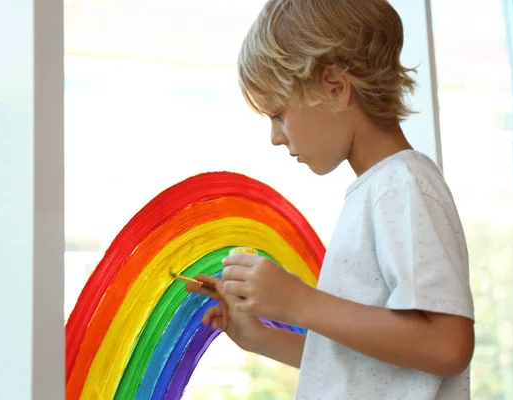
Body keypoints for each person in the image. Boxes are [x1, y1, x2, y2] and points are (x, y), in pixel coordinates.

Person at [187, 0, 475, 398]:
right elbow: (365, 368)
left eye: (278, 115)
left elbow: (448, 345)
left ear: (335, 88)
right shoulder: (376, 191)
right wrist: (258, 337)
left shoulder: (401, 185)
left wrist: (299, 303)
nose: (276, 137)